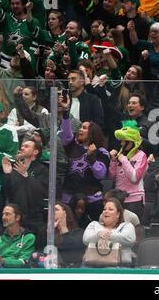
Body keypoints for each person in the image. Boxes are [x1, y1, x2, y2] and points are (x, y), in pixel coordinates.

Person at [59, 94, 110, 222]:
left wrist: (92, 158)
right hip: (69, 198)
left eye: (84, 128)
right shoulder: (73, 147)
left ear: (92, 133)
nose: (80, 129)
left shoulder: (102, 152)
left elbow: (101, 174)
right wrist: (65, 113)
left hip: (92, 200)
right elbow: (66, 134)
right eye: (80, 127)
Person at [2, 139, 48, 250]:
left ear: (35, 152)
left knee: (35, 252)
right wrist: (7, 174)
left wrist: (26, 176)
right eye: (22, 146)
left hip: (35, 219)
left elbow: (41, 192)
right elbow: (6, 193)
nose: (22, 148)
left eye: (26, 146)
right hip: (17, 219)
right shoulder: (15, 168)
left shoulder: (42, 169)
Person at [109, 121, 148, 220]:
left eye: (124, 140)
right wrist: (113, 161)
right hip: (119, 199)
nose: (121, 143)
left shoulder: (141, 155)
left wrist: (124, 160)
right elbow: (112, 177)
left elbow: (135, 178)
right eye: (121, 140)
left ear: (132, 142)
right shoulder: (121, 156)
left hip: (134, 200)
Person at [82, 198, 136, 267]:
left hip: (120, 267)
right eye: (104, 209)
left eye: (110, 209)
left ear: (118, 214)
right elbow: (86, 240)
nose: (106, 211)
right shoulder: (94, 224)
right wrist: (98, 235)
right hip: (93, 266)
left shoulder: (126, 225)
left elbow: (129, 239)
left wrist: (106, 236)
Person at [0, 204, 35, 268]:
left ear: (17, 217)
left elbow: (24, 262)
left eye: (7, 214)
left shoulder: (28, 237)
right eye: (3, 214)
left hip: (19, 274)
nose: (3, 217)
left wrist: (3, 261)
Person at [54, 203, 85, 268]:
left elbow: (72, 254)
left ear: (65, 213)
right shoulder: (46, 231)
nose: (52, 212)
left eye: (56, 209)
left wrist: (63, 228)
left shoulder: (79, 233)